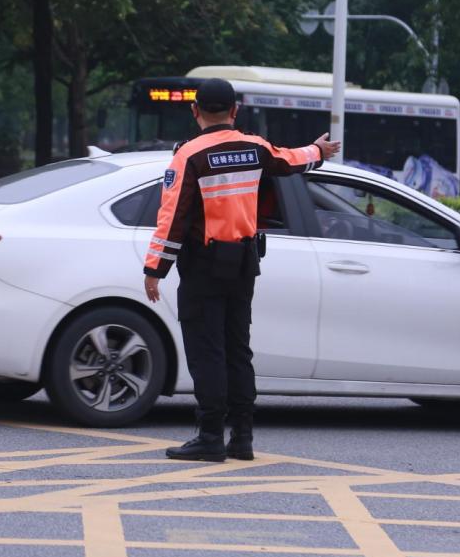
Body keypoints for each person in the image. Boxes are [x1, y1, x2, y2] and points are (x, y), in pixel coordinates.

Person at [143, 78, 341, 462]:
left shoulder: (189, 156)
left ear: (195, 111)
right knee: (237, 350)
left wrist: (155, 268)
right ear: (235, 111)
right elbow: (290, 160)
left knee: (207, 350)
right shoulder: (254, 147)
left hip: (203, 267)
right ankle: (243, 437)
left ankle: (210, 436)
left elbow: (172, 218)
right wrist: (319, 150)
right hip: (244, 265)